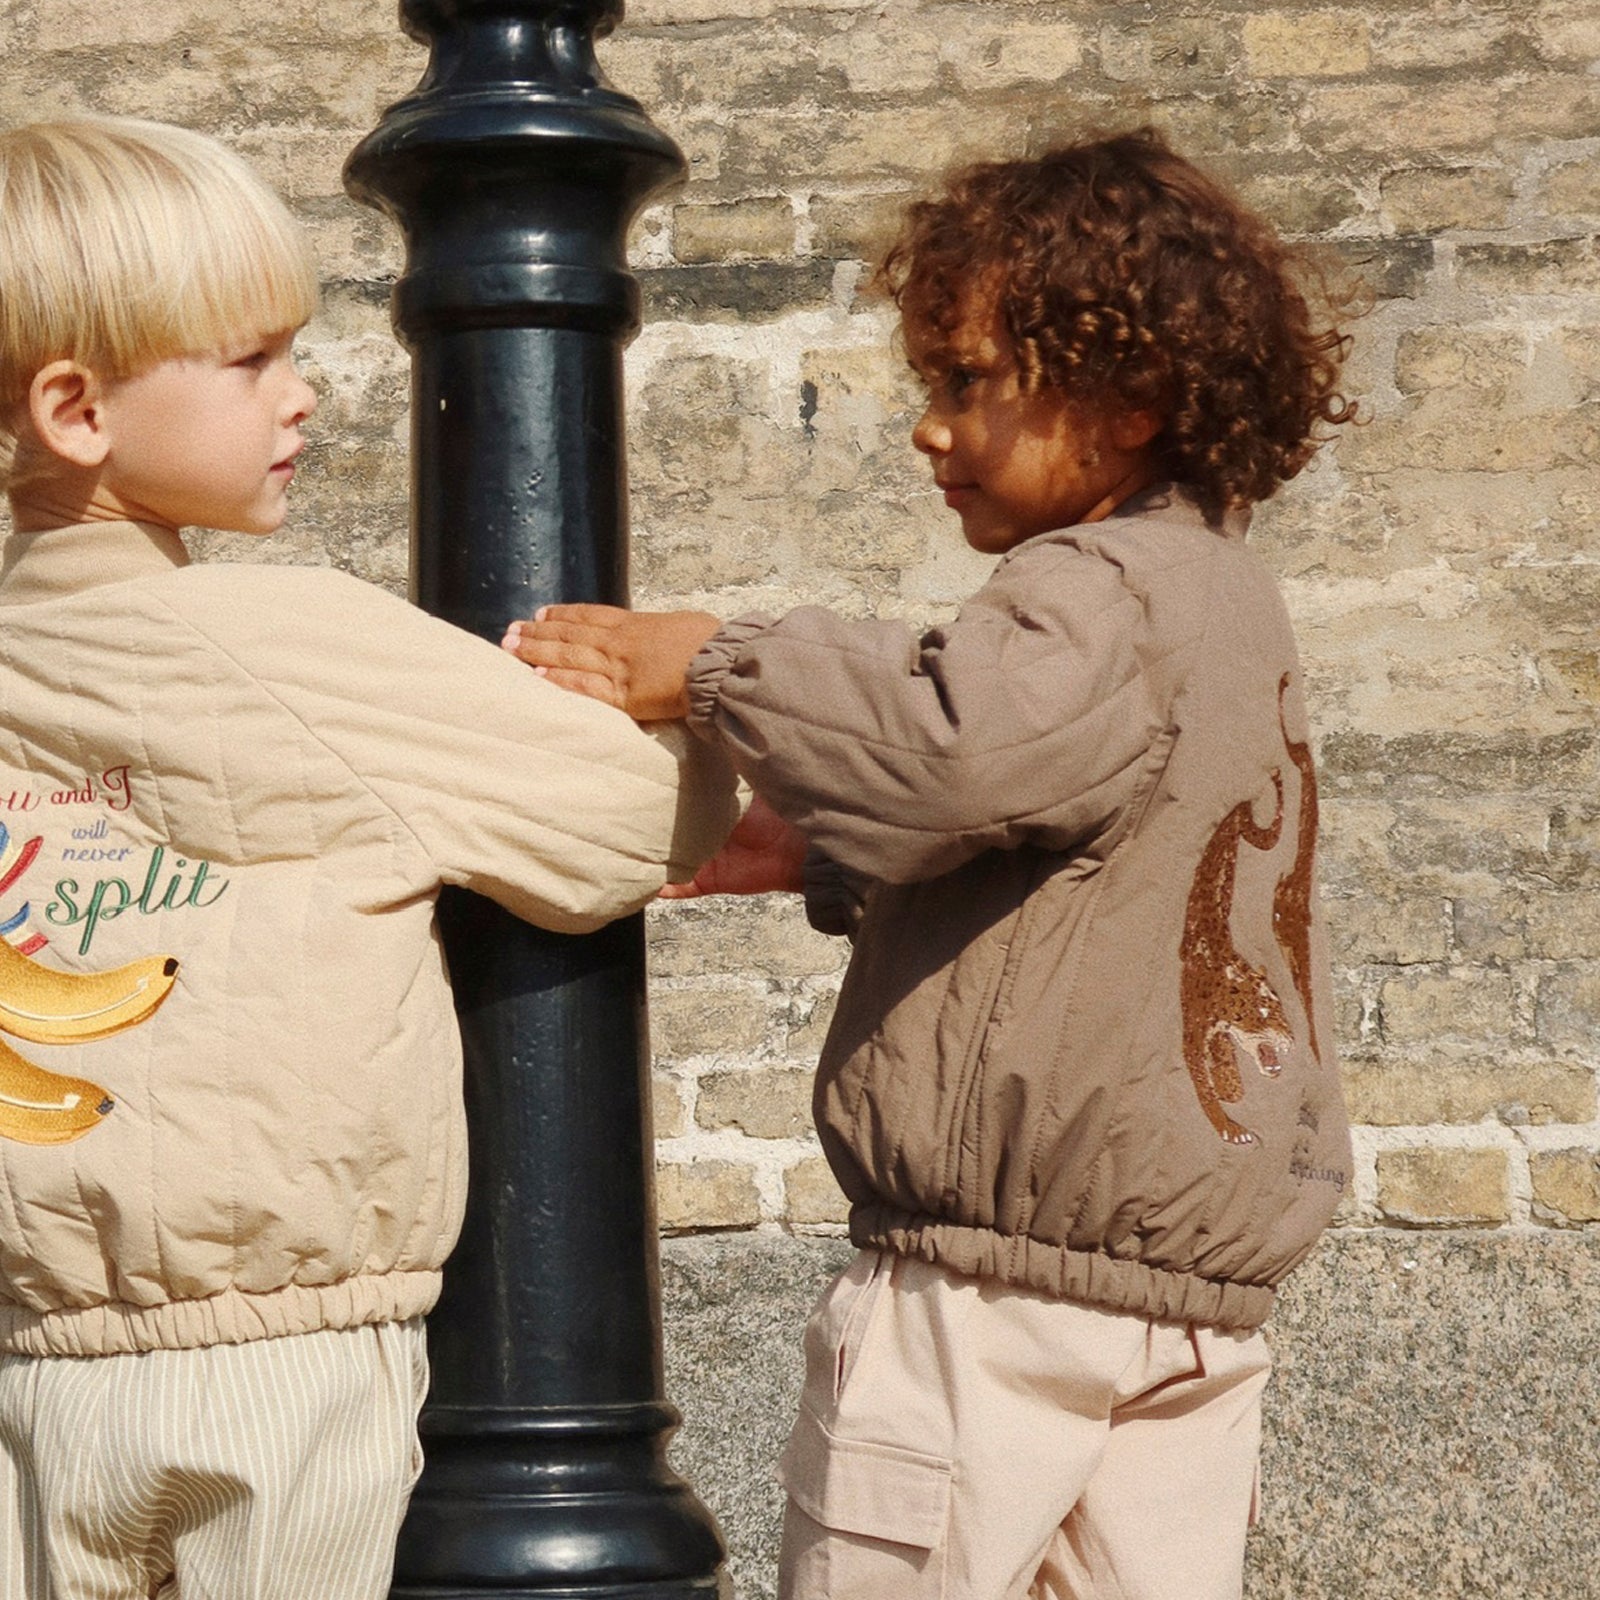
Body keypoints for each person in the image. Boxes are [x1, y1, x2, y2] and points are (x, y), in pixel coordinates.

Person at [505, 127, 1358, 1600]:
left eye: (966, 383)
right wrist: (811, 847)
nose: (927, 429)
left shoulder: (1090, 591)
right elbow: (1064, 844)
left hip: (987, 1303)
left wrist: (715, 666)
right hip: (1187, 1316)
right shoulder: (1225, 603)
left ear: (1133, 398)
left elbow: (957, 748)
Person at [0, 115, 735, 1600]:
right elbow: (627, 828)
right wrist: (680, 695)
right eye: (255, 358)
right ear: (78, 409)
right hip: (293, 1365)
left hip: (27, 1373)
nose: (305, 394)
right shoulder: (302, 649)